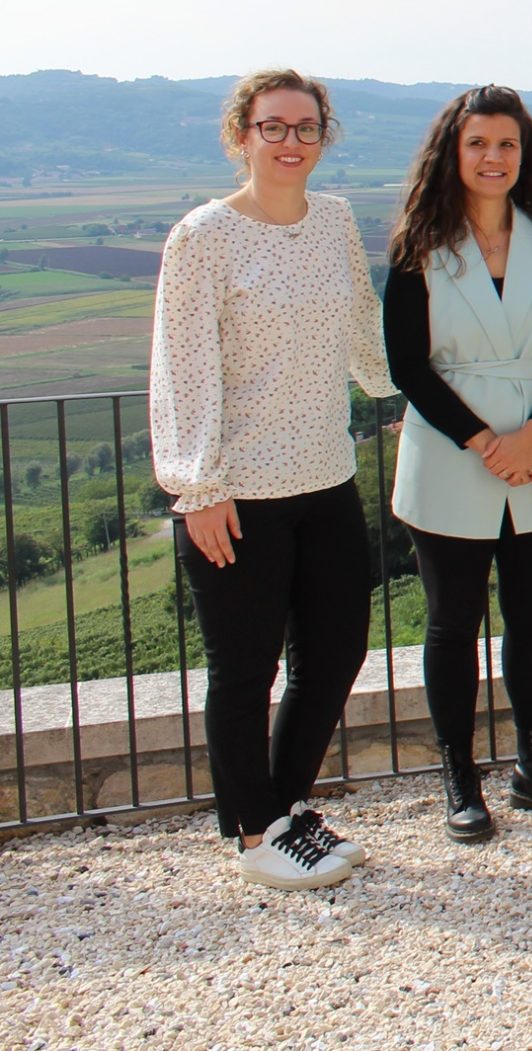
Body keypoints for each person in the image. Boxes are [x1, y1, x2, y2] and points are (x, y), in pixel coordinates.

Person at [149, 70, 394, 888]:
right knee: (246, 669)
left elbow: (364, 328)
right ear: (240, 135)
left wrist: (414, 391)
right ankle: (256, 834)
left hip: (325, 478)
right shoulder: (202, 237)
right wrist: (198, 486)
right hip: (237, 494)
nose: (291, 141)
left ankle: (285, 810)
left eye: (306, 127)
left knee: (334, 654)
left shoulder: (333, 221)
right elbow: (183, 368)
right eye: (273, 126)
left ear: (325, 137)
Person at [384, 86, 532, 843]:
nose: (493, 157)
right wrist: (487, 443)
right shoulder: (420, 243)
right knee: (451, 623)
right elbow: (407, 363)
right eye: (479, 143)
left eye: (507, 144)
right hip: (452, 452)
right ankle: (459, 777)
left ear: (525, 154)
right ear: (454, 151)